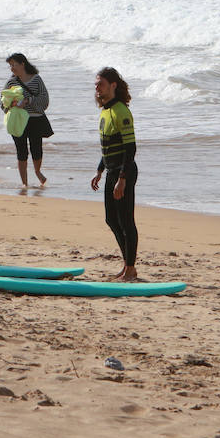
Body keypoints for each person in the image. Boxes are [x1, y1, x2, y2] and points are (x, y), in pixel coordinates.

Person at [91, 67, 140, 281]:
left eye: (101, 84)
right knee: (112, 219)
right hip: (111, 171)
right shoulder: (105, 111)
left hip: (123, 172)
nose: (97, 88)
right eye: (96, 85)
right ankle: (127, 264)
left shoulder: (121, 111)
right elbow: (108, 146)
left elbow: (130, 150)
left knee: (126, 221)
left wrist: (122, 179)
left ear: (113, 85)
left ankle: (130, 268)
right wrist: (100, 170)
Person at [3, 52, 52, 187]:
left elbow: (45, 100)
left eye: (14, 64)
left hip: (35, 119)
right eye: (10, 65)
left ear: (23, 64)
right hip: (17, 120)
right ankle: (24, 183)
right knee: (21, 150)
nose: (12, 68)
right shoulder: (11, 82)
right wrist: (11, 104)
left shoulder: (36, 79)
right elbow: (3, 103)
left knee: (37, 148)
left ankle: (37, 171)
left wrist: (28, 100)